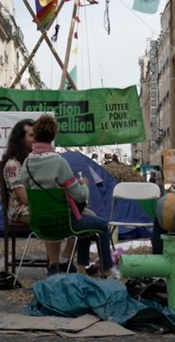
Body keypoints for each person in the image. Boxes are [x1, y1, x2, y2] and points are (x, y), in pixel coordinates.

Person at [19, 114, 114, 277]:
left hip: (39, 223)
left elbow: (27, 187)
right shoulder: (59, 163)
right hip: (63, 224)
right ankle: (106, 270)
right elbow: (79, 197)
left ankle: (81, 269)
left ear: (36, 136)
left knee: (87, 222)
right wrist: (85, 185)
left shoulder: (27, 163)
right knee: (102, 225)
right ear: (54, 135)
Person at [0, 118, 69, 274]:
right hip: (21, 210)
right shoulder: (13, 165)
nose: (36, 138)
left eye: (36, 134)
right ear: (20, 139)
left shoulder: (37, 160)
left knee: (75, 215)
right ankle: (54, 265)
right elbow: (24, 198)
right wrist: (51, 201)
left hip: (40, 205)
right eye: (31, 135)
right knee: (51, 215)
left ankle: (64, 260)